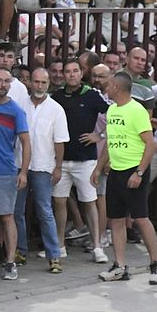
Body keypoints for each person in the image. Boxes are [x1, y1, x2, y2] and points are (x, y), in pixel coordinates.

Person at [90, 71, 157, 284]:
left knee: (141, 218)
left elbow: (151, 145)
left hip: (134, 170)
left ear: (117, 88)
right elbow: (111, 143)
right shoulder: (112, 110)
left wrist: (139, 173)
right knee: (116, 219)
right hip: (116, 172)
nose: (105, 86)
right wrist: (98, 167)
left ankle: (156, 264)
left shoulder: (137, 111)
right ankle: (120, 265)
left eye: (109, 84)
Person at [52, 59, 109, 264]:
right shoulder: (56, 96)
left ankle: (97, 247)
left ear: (81, 73)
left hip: (86, 160)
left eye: (75, 71)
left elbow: (114, 116)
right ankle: (59, 246)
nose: (71, 75)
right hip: (61, 160)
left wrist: (99, 136)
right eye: (67, 71)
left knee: (89, 203)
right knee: (59, 202)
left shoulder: (92, 95)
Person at [16, 67, 67, 272]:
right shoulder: (20, 106)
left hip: (43, 166)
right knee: (17, 211)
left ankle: (53, 255)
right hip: (19, 165)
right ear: (30, 83)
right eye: (36, 82)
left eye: (43, 83)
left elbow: (60, 142)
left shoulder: (56, 109)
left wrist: (58, 167)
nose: (39, 86)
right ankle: (20, 250)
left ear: (49, 84)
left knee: (45, 211)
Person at [0, 68, 30, 280]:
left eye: (7, 81)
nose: (2, 84)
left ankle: (10, 262)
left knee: (7, 217)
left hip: (4, 172)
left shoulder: (15, 111)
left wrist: (23, 172)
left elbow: (26, 143)